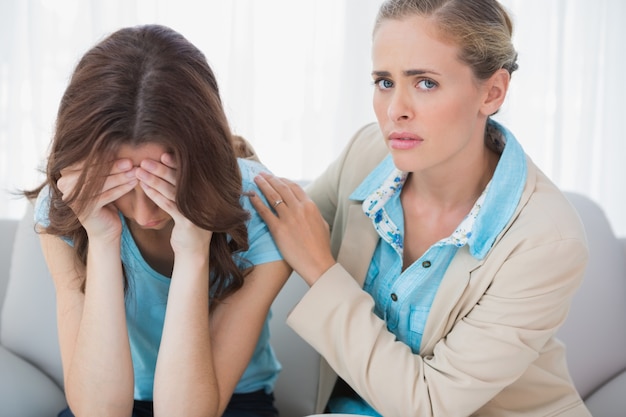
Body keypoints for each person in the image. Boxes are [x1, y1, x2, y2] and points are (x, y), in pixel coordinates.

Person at [250, 0, 591, 415]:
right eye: (384, 82)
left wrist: (322, 271)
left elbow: (431, 405)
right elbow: (268, 227)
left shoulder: (546, 240)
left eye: (425, 83)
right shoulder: (365, 154)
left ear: (492, 91)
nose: (395, 111)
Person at [25, 24, 291, 417]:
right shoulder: (66, 206)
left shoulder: (261, 207)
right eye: (120, 186)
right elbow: (99, 412)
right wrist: (101, 239)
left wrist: (194, 247)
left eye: (164, 184)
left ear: (204, 161)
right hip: (111, 393)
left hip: (226, 399)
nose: (146, 213)